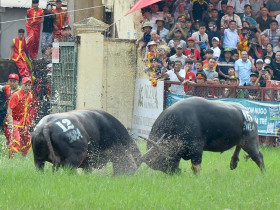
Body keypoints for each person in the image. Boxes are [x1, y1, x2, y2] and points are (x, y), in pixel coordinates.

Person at [5, 77, 33, 159]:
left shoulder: (30, 95)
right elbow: (9, 108)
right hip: (14, 121)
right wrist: (10, 121)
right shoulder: (16, 95)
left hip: (24, 122)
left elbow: (28, 109)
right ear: (21, 85)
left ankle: (24, 157)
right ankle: (10, 159)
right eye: (25, 85)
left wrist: (30, 120)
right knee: (16, 140)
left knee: (27, 139)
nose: (27, 87)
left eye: (29, 85)